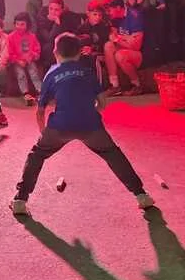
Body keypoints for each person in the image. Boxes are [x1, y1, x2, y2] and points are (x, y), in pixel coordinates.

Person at [10, 32, 155, 217]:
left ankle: (20, 200)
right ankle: (141, 195)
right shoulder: (88, 72)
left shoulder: (51, 74)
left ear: (55, 52)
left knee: (37, 155)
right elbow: (102, 102)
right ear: (79, 53)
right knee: (113, 154)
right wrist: (88, 112)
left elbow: (40, 110)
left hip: (59, 126)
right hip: (90, 126)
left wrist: (44, 132)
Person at [104, 0, 144, 96]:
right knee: (108, 46)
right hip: (126, 46)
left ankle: (137, 85)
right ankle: (115, 85)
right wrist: (125, 38)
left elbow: (136, 46)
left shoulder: (135, 16)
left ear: (118, 8)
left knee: (120, 55)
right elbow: (112, 37)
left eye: (109, 9)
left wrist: (118, 39)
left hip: (140, 53)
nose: (108, 12)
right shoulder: (114, 18)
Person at [37, 0, 83, 70]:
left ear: (62, 10)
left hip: (61, 44)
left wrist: (59, 24)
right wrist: (57, 24)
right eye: (51, 8)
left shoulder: (66, 17)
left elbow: (70, 33)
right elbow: (49, 38)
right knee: (49, 47)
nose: (53, 12)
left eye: (56, 10)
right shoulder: (42, 18)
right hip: (47, 46)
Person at [7, 11, 42, 104]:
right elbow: (10, 53)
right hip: (17, 61)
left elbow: (37, 49)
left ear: (27, 25)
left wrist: (32, 56)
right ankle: (26, 94)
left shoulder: (32, 36)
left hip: (30, 60)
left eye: (22, 24)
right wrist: (18, 61)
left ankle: (40, 91)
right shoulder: (11, 37)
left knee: (34, 73)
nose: (19, 27)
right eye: (17, 24)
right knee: (20, 74)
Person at [77, 3, 110, 77]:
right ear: (88, 13)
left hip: (99, 52)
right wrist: (83, 49)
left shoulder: (104, 27)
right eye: (95, 14)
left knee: (92, 57)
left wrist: (92, 49)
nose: (97, 17)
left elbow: (104, 44)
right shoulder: (81, 28)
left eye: (100, 15)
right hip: (84, 52)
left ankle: (95, 81)